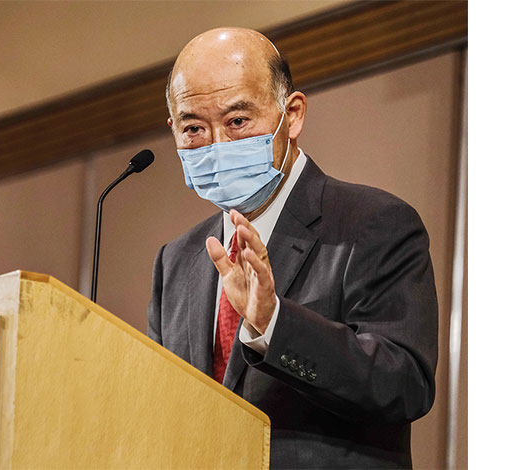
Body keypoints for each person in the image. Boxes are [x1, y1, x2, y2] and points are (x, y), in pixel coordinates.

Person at [148, 27, 438, 469]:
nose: (217, 145)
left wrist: (274, 323)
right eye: (194, 128)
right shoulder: (177, 260)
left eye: (237, 121)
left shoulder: (374, 223)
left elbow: (404, 385)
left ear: (293, 114)